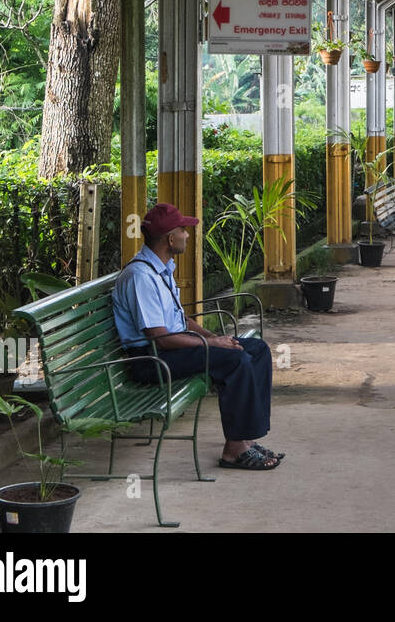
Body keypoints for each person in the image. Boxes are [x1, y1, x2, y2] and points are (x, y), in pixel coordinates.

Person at [112, 202, 283, 471]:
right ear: (170, 238)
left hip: (171, 351)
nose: (188, 235)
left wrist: (214, 337)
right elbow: (161, 338)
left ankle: (247, 440)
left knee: (257, 349)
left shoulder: (161, 268)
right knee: (235, 360)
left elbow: (182, 321)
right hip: (151, 360)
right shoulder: (141, 277)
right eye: (183, 230)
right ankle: (234, 450)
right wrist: (213, 344)